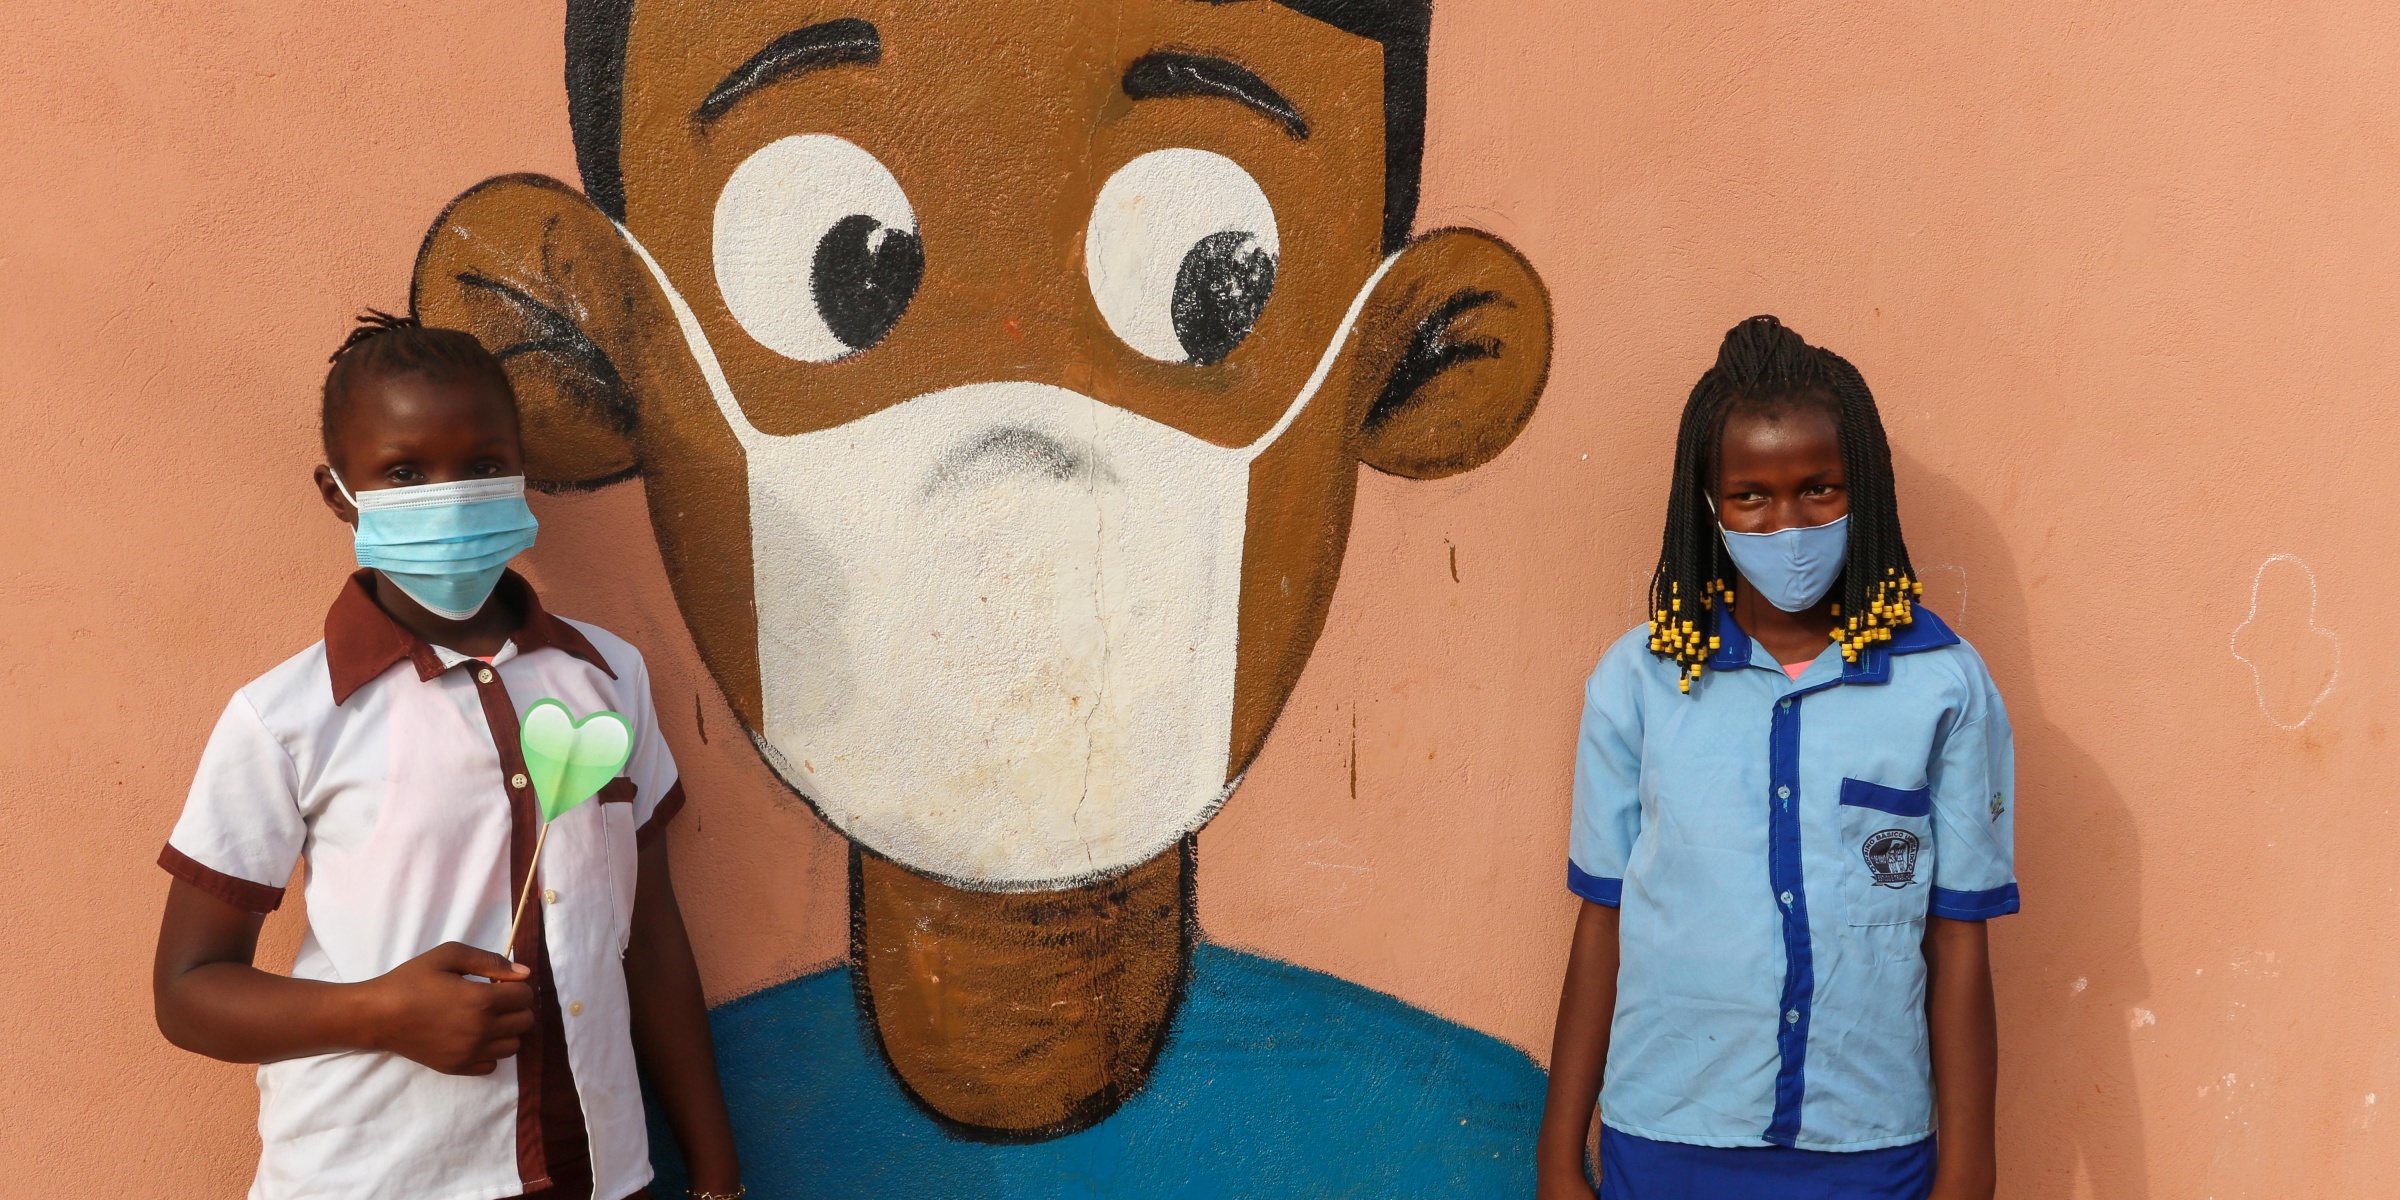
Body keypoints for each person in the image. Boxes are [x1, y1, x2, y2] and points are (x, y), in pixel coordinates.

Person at [151, 313, 743, 1200]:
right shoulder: (286, 719)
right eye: (405, 472)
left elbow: (649, 934)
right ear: (338, 490)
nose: (453, 496)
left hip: (598, 1170)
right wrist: (382, 1010)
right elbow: (188, 992)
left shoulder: (608, 675)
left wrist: (717, 1174)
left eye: (484, 465)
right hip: (377, 1175)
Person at [1535, 316, 2019, 1200]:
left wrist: (1969, 1172)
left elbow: (1957, 943)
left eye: (1820, 489)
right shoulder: (1640, 679)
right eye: (1751, 495)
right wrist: (1559, 1156)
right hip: (1666, 1135)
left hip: (1869, 1147)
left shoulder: (1942, 684)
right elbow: (1603, 919)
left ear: (1863, 488)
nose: (1787, 525)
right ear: (1708, 503)